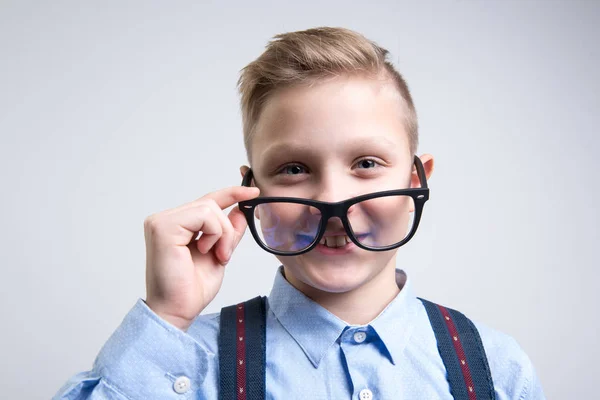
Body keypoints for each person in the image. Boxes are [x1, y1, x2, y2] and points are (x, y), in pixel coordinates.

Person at [53, 26, 545, 399]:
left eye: (366, 163)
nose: (332, 199)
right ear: (252, 192)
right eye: (293, 168)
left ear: (415, 180)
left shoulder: (494, 368)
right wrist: (167, 315)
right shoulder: (185, 363)